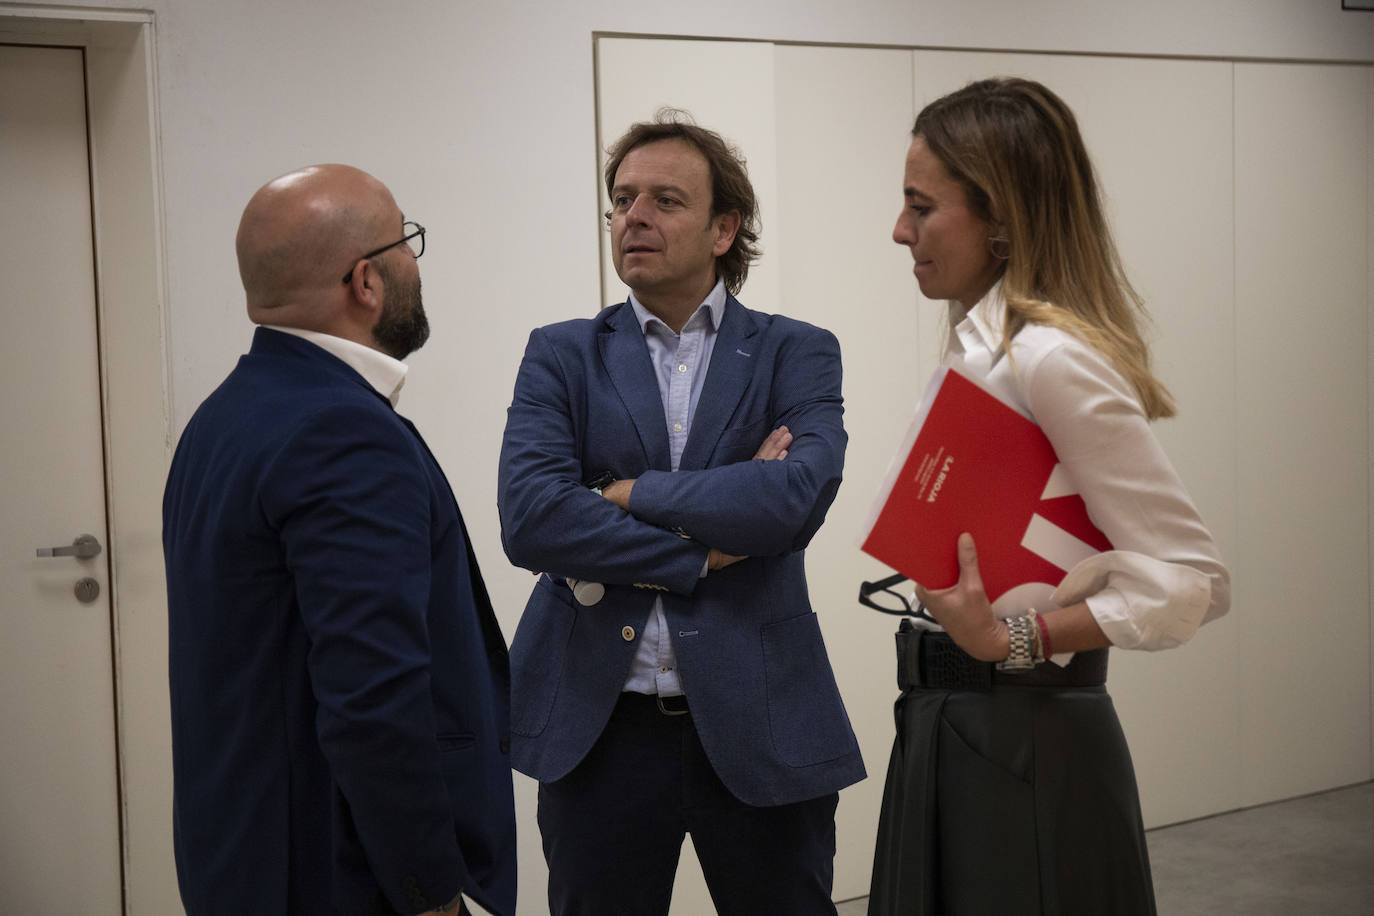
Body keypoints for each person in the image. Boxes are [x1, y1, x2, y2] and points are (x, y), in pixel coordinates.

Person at [868, 78, 1231, 915]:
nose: (899, 230)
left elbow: (1192, 581)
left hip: (1021, 745)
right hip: (954, 727)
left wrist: (1014, 638)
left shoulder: (1050, 361)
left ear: (1001, 218)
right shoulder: (980, 349)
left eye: (922, 206)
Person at [497, 111, 865, 915]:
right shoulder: (562, 353)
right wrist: (700, 554)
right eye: (622, 199)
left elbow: (794, 498)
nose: (635, 217)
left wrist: (622, 495)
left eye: (665, 200)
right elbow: (531, 520)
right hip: (603, 731)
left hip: (761, 715)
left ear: (724, 228)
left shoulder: (793, 351)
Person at [162, 164, 517, 916]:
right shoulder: (346, 433)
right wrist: (430, 891)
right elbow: (374, 697)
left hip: (239, 849)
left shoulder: (222, 416)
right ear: (367, 281)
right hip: (340, 872)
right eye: (407, 243)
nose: (415, 264)